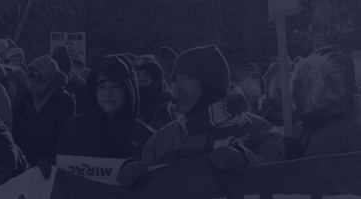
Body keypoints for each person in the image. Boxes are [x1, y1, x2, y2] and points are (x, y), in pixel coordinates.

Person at [125, 45, 284, 188]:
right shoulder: (160, 141)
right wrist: (135, 177)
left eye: (185, 78)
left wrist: (247, 160)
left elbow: (282, 185)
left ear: (209, 82)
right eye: (175, 80)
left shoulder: (259, 131)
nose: (177, 86)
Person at [286, 49, 361, 159]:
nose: (303, 92)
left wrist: (299, 167)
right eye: (301, 85)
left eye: (311, 84)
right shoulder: (297, 129)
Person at [56, 54, 154, 159]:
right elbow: (59, 166)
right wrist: (48, 170)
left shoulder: (147, 137)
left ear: (129, 91)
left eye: (116, 87)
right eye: (101, 87)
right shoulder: (74, 128)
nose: (108, 94)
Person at [12, 54, 76, 164]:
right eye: (33, 75)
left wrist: (54, 161)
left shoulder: (64, 101)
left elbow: (68, 138)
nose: (35, 80)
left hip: (49, 164)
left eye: (39, 76)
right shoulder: (28, 96)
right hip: (25, 162)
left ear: (49, 76)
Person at [133, 55, 175, 130]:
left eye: (147, 74)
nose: (142, 79)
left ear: (157, 79)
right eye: (137, 75)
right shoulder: (125, 107)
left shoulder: (170, 111)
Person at [51, 46, 85, 114]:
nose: (60, 75)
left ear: (70, 69)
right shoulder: (46, 84)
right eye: (56, 71)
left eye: (62, 70)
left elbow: (85, 113)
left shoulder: (81, 85)